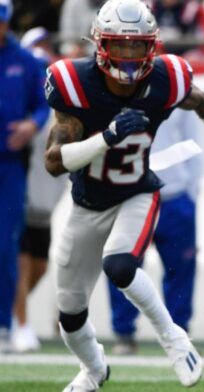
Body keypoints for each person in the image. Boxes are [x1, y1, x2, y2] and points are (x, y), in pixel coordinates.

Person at [43, 1, 204, 390]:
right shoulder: (75, 83)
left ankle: (174, 339)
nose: (128, 56)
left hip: (136, 192)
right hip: (87, 202)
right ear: (100, 45)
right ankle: (93, 369)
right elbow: (55, 162)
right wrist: (106, 137)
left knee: (121, 267)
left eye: (136, 46)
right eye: (119, 46)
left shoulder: (166, 78)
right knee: (70, 314)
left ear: (152, 47)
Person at [107, 109, 201, 356]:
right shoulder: (118, 86)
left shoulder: (176, 85)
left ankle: (180, 332)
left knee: (181, 268)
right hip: (129, 194)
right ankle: (124, 332)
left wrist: (191, 192)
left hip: (174, 195)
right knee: (122, 267)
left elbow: (193, 138)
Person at [11, 26, 66, 354]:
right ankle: (21, 323)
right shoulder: (28, 114)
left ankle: (10, 312)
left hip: (45, 206)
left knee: (39, 266)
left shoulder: (60, 115)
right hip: (22, 198)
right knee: (22, 263)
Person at [0, 0, 51, 353]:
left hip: (11, 162)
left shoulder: (27, 62)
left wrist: (32, 124)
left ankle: (7, 323)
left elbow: (43, 103)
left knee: (7, 245)